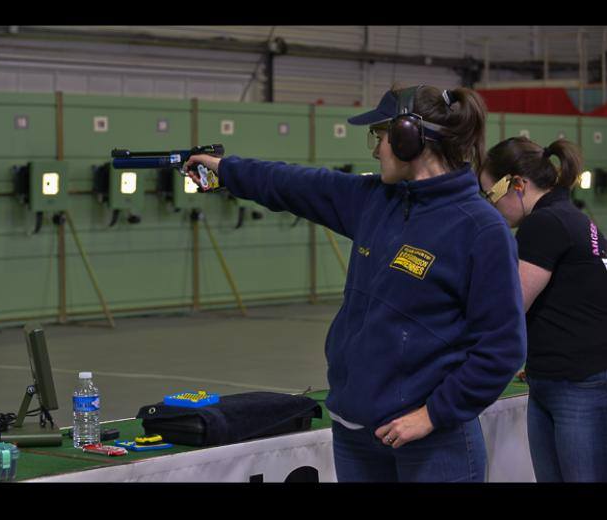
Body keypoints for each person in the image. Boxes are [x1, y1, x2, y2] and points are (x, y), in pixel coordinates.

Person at [185, 85, 526, 482]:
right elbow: (294, 184)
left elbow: (502, 347)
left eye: (380, 137)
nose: (375, 149)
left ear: (409, 138)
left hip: (430, 443)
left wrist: (433, 415)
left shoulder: (479, 229)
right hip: (356, 434)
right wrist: (227, 170)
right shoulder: (376, 200)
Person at [479, 137, 607, 482]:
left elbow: (510, 308)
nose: (491, 208)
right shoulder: (575, 219)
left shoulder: (544, 223)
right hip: (559, 376)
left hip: (575, 385)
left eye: (491, 196)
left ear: (517, 184)